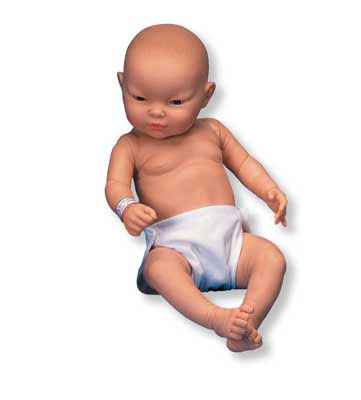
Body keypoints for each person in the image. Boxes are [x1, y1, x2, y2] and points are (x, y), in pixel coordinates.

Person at [105, 24, 288, 352]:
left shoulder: (213, 131)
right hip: (177, 248)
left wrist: (269, 191)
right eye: (140, 97)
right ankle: (216, 317)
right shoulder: (129, 146)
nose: (156, 111)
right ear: (122, 84)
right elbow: (115, 185)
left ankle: (245, 326)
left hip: (231, 243)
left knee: (272, 259)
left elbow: (245, 165)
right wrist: (126, 207)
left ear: (206, 96)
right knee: (158, 268)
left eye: (175, 101)